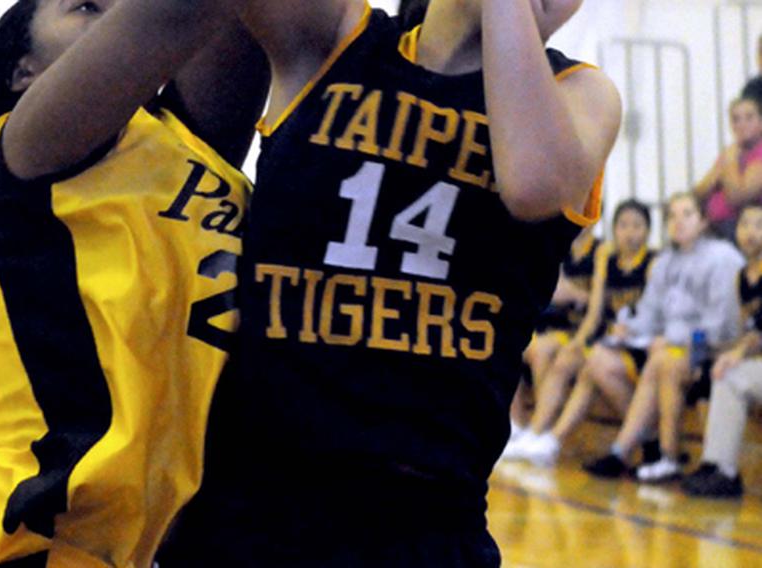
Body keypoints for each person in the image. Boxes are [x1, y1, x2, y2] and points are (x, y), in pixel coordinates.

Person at [157, 0, 621, 566]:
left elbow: (532, 183)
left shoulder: (582, 94)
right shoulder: (340, 36)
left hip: (426, 514)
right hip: (251, 497)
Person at [0, 1, 268, 566]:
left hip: (195, 544)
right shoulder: (32, 144)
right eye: (86, 7)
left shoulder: (189, 145)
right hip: (55, 544)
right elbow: (177, 15)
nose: (117, 13)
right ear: (23, 72)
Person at [583, 193, 744, 483]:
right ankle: (642, 450)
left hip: (710, 347)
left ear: (703, 220)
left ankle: (658, 453)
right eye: (672, 216)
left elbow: (722, 325)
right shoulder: (667, 260)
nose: (678, 222)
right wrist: (629, 328)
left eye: (687, 214)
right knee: (599, 358)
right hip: (670, 346)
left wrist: (672, 339)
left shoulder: (722, 257)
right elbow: (650, 312)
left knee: (665, 361)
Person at [504, 199, 655, 466]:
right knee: (510, 344)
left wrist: (580, 332)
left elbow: (592, 307)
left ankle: (539, 431)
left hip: (604, 335)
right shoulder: (565, 248)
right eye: (623, 225)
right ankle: (523, 428)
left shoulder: (610, 254)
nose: (629, 232)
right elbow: (556, 292)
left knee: (551, 354)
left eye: (636, 225)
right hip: (588, 334)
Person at [682, 204, 762, 498]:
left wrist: (737, 354)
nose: (751, 233)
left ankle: (722, 468)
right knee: (710, 368)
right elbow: (748, 332)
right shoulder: (743, 275)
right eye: (745, 225)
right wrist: (711, 350)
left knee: (730, 376)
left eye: (759, 225)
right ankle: (713, 464)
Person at [508, 227, 602, 441]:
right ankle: (516, 423)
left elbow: (594, 301)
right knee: (509, 346)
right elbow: (552, 290)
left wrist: (576, 294)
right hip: (556, 326)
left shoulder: (600, 251)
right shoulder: (560, 247)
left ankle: (541, 427)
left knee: (541, 352)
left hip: (581, 330)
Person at [694, 96, 762, 241]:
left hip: (739, 228)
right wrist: (720, 174)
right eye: (736, 119)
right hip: (712, 224)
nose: (742, 124)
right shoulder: (733, 151)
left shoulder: (738, 154)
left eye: (749, 117)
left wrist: (728, 164)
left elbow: (737, 197)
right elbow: (698, 192)